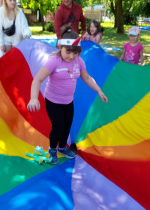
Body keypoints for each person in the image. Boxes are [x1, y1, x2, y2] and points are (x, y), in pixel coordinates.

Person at [27, 26, 108, 165]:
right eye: (68, 52)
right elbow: (38, 79)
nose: (71, 57)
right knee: (58, 126)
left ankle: (62, 147)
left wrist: (99, 90)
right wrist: (34, 98)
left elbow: (87, 78)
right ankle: (52, 148)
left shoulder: (78, 62)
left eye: (75, 53)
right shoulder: (54, 61)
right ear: (60, 46)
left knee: (67, 126)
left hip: (68, 101)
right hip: (53, 101)